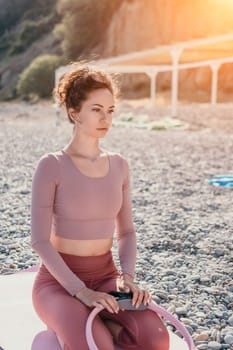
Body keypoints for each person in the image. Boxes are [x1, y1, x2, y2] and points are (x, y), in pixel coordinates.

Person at [30, 62, 169, 350]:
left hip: (106, 277)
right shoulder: (51, 166)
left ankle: (102, 322)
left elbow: (127, 231)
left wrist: (127, 278)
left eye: (110, 110)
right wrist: (80, 292)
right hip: (58, 283)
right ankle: (84, 326)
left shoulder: (119, 165)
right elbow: (40, 241)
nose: (105, 117)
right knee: (96, 345)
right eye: (96, 109)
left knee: (156, 339)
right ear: (74, 113)